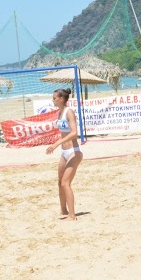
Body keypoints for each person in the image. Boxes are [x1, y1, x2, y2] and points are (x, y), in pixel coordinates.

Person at [45, 88, 83, 221]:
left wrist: (55, 144)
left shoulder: (69, 111)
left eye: (54, 98)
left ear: (61, 99)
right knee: (60, 182)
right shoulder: (59, 113)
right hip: (64, 152)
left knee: (66, 183)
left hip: (74, 152)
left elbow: (74, 133)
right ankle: (63, 210)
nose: (53, 100)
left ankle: (72, 215)